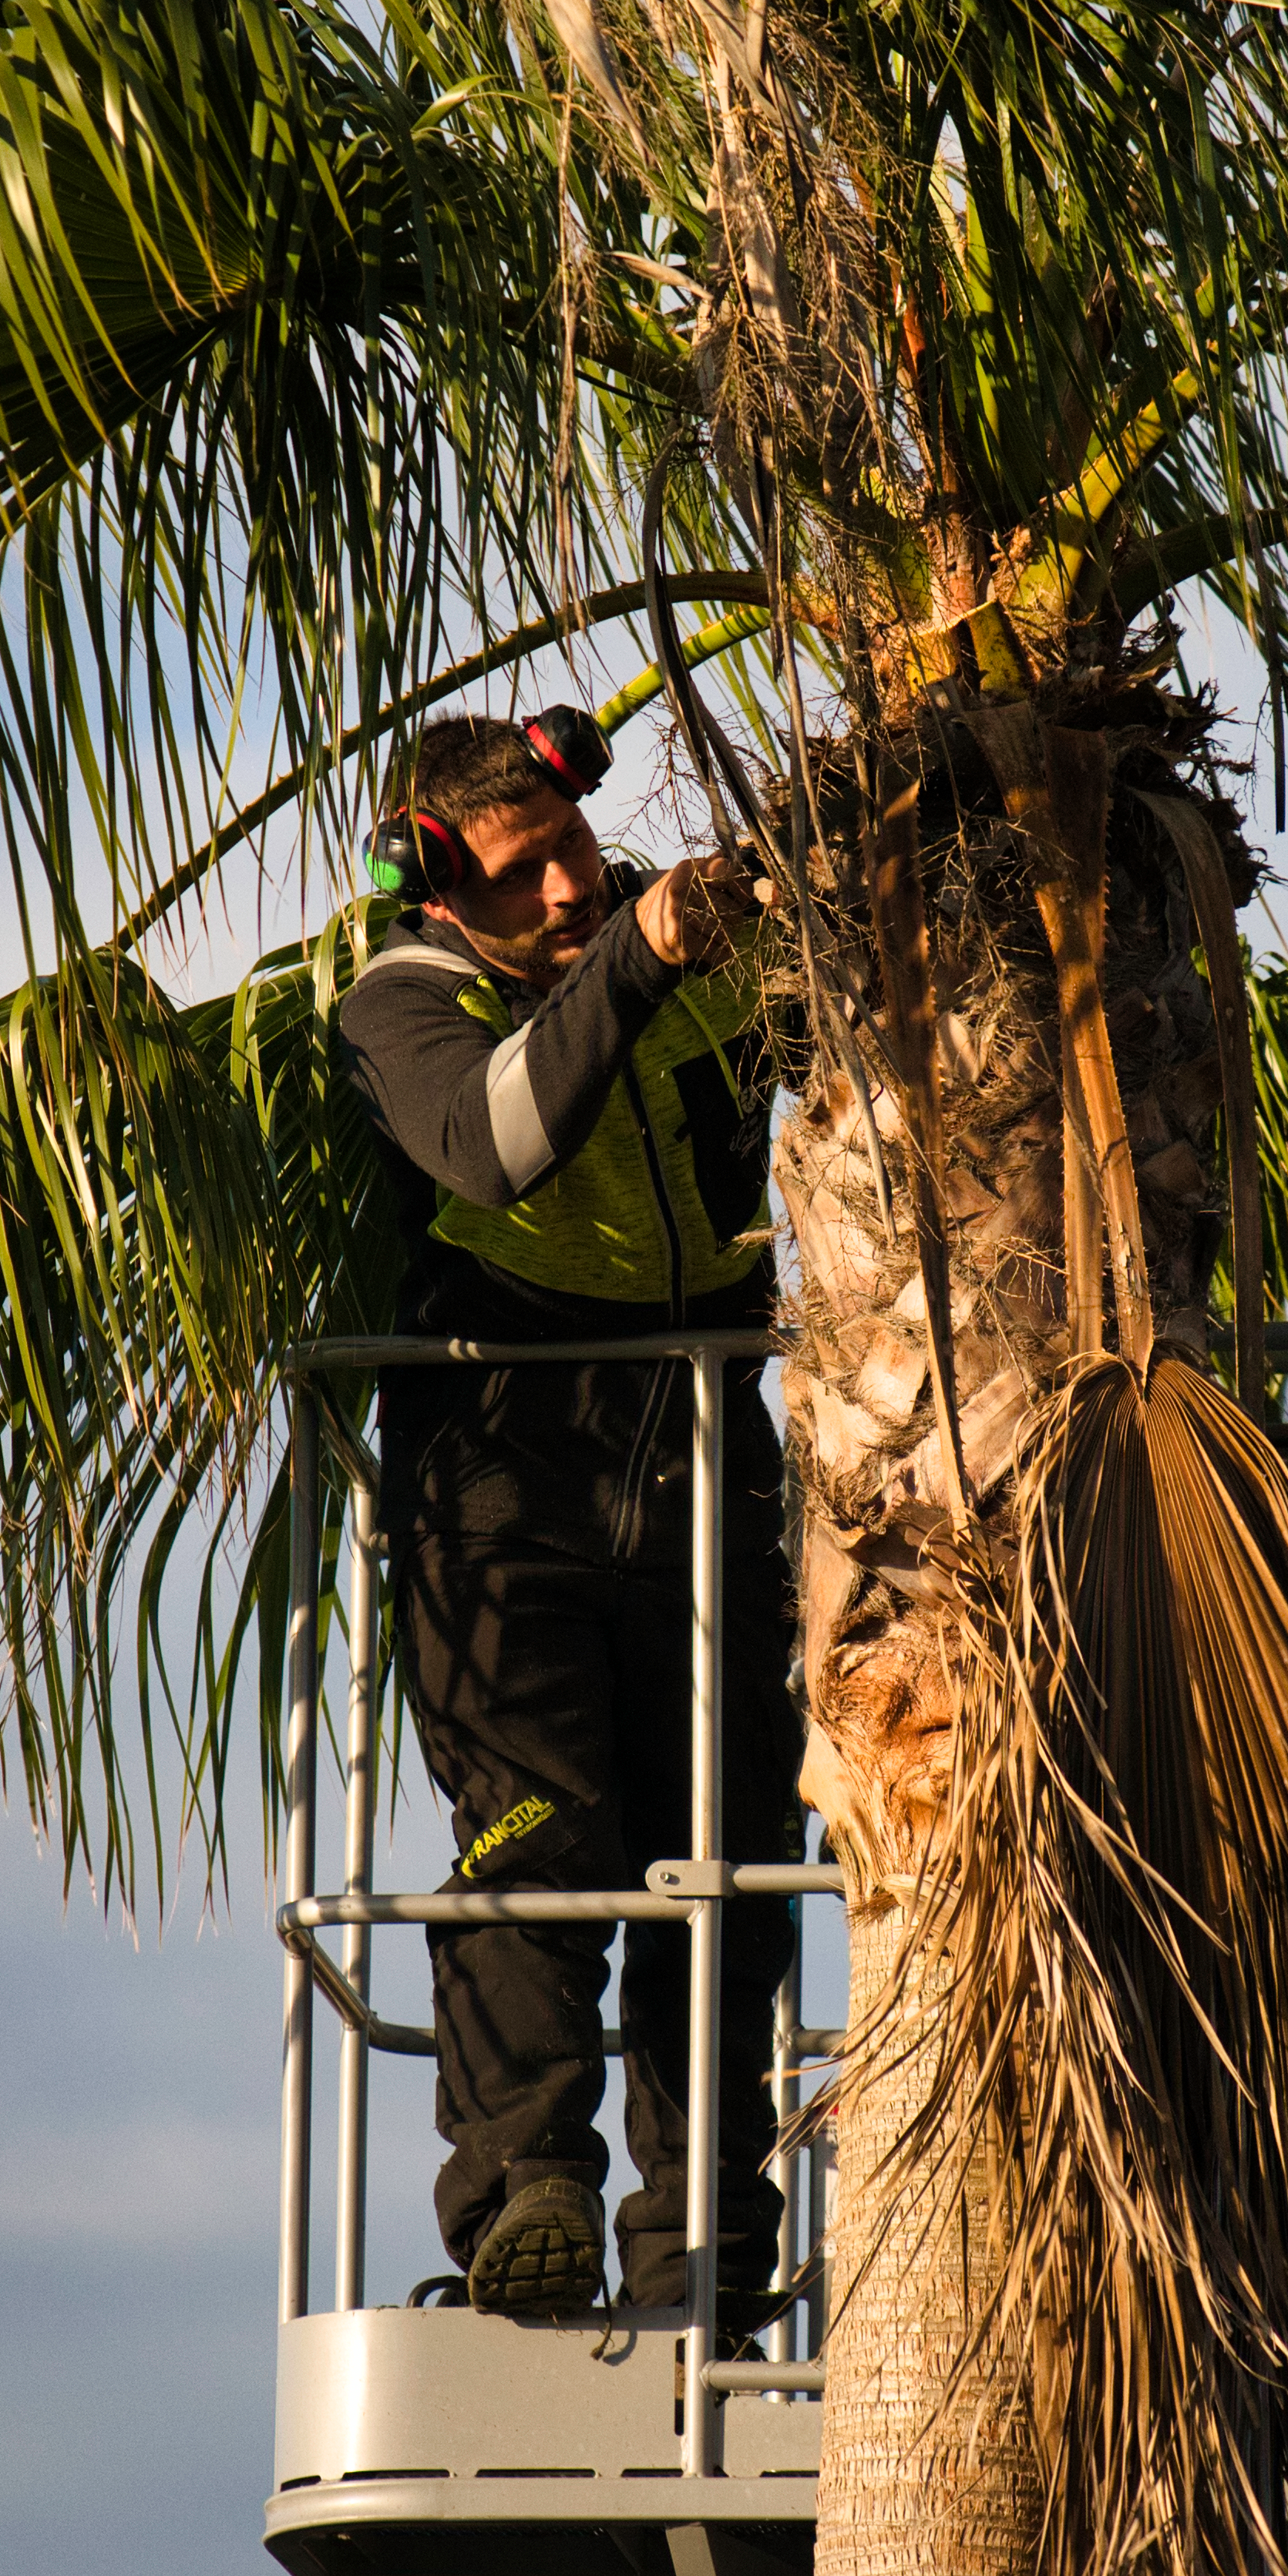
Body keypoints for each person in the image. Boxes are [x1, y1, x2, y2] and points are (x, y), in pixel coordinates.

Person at [333, 710, 803, 2326]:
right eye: (526, 874)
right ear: (436, 880)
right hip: (502, 1471)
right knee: (547, 1836)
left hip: (706, 1451)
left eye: (574, 853)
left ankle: (704, 2237)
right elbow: (493, 1149)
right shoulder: (404, 1004)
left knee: (727, 1862)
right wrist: (646, 956)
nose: (566, 892)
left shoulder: (674, 955)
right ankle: (528, 2191)